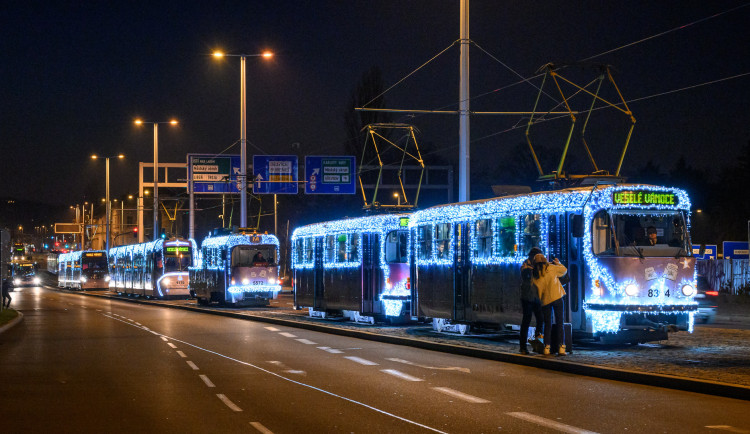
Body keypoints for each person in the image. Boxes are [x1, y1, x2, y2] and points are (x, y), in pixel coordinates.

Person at [531, 253, 568, 356]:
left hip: (545, 301)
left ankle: (547, 347)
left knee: (547, 324)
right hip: (557, 297)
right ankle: (561, 348)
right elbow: (564, 270)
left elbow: (537, 291)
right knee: (560, 322)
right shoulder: (551, 268)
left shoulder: (535, 275)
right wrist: (558, 263)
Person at [519, 247, 544, 354]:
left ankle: (538, 344)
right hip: (527, 297)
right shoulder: (526, 264)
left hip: (537, 297)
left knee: (540, 320)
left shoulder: (538, 265)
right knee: (526, 321)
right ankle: (523, 347)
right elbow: (526, 275)